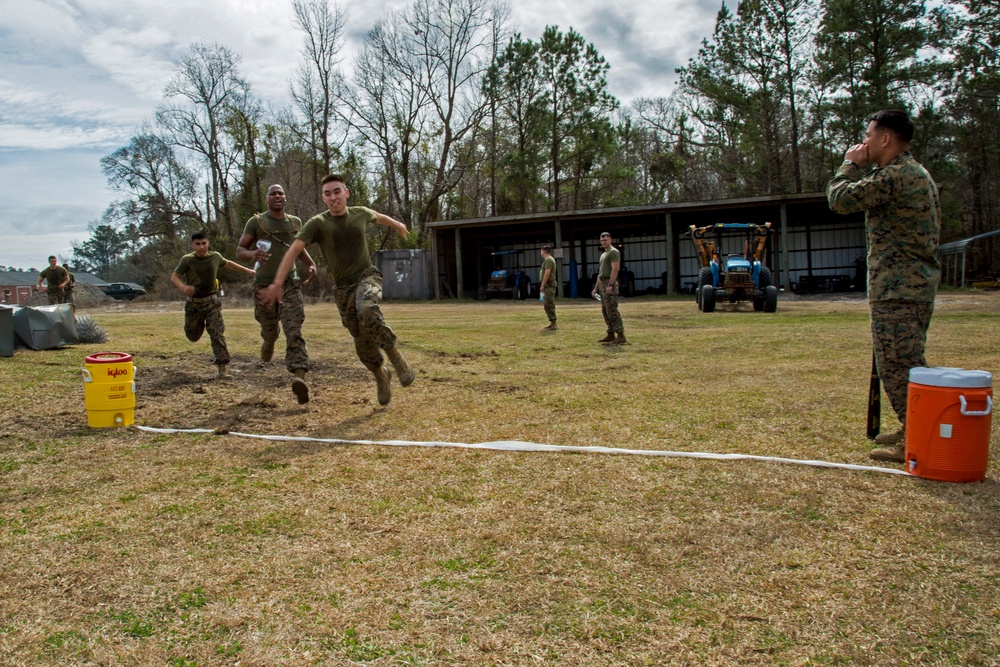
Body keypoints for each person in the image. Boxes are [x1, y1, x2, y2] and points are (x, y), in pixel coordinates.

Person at [827, 109, 941, 463]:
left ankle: (919, 438)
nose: (864, 142)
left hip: (899, 288)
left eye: (869, 135)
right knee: (901, 361)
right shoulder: (908, 173)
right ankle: (913, 427)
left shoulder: (896, 175)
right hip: (907, 286)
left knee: (899, 363)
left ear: (885, 139)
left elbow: (840, 199)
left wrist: (849, 164)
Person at [260, 174, 415, 406]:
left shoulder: (360, 213)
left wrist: (397, 224)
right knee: (361, 340)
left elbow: (379, 217)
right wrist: (276, 283)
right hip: (343, 290)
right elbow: (293, 251)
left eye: (337, 191)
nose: (333, 197)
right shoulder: (318, 224)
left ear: (346, 193)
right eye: (328, 194)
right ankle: (381, 375)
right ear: (323, 198)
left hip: (366, 277)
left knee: (367, 308)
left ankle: (395, 356)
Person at [236, 184, 318, 404]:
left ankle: (299, 375)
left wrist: (311, 264)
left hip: (290, 284)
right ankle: (268, 341)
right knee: (270, 329)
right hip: (263, 286)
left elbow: (297, 248)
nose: (278, 196)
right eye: (273, 193)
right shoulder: (257, 222)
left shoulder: (294, 223)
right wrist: (252, 253)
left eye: (281, 193)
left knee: (293, 329)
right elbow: (240, 250)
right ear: (267, 199)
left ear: (286, 198)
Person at [171, 231, 256, 379]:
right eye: (198, 244)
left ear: (208, 243)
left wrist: (247, 270)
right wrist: (184, 288)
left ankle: (222, 370)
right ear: (192, 245)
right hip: (194, 305)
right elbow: (175, 277)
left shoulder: (215, 257)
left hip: (212, 303)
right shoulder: (187, 260)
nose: (201, 247)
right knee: (192, 336)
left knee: (217, 333)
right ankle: (200, 324)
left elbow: (228, 263)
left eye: (204, 243)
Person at [591, 232, 626, 344]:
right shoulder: (603, 254)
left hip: (608, 282)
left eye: (605, 239)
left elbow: (615, 269)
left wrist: (610, 284)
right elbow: (600, 273)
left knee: (612, 309)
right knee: (605, 310)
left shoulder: (614, 252)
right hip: (602, 282)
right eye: (602, 240)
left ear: (610, 239)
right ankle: (610, 333)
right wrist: (596, 288)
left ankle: (620, 335)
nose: (603, 242)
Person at [539, 246, 558, 330]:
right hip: (548, 285)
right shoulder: (548, 260)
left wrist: (543, 284)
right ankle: (552, 322)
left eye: (541, 251)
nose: (541, 253)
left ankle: (554, 323)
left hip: (549, 285)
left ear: (544, 251)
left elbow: (547, 273)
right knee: (547, 304)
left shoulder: (549, 260)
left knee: (548, 304)